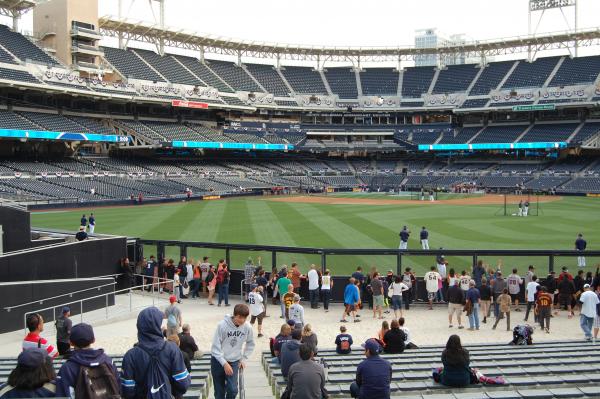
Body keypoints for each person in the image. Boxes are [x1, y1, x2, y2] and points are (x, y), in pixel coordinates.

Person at [121, 307, 190, 398]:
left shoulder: (130, 356)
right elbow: (183, 384)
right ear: (157, 325)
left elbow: (127, 390)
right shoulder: (172, 349)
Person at [55, 323, 119, 398]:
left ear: (71, 343)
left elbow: (64, 395)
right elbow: (118, 387)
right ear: (93, 340)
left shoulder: (67, 368)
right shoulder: (108, 361)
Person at [210, 304, 255, 399]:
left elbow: (250, 343)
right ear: (234, 315)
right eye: (239, 317)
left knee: (233, 390)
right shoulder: (222, 325)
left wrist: (243, 359)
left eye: (244, 318)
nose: (242, 320)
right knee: (219, 392)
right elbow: (215, 347)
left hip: (234, 361)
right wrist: (224, 363)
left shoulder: (247, 327)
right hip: (218, 361)